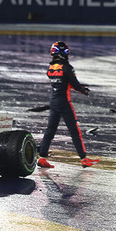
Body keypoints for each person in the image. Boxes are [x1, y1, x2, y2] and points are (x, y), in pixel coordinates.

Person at [38, 41, 99, 169]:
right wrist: (85, 91)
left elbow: (62, 82)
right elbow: (74, 84)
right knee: (75, 132)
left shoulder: (50, 68)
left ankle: (42, 158)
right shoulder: (67, 67)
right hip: (65, 103)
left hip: (54, 102)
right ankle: (84, 159)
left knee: (49, 131)